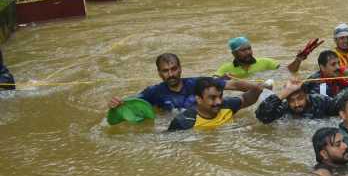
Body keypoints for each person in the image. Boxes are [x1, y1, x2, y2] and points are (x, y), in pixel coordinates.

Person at [107, 53, 258, 112]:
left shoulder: (197, 83)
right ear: (159, 73)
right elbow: (132, 103)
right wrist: (117, 102)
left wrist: (258, 87)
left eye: (173, 69)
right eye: (165, 71)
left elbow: (234, 85)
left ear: (180, 69)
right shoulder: (153, 92)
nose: (170, 74)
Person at [168, 77, 263, 131]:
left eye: (220, 96)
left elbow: (246, 98)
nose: (219, 102)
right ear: (199, 99)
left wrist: (257, 89)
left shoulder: (227, 105)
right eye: (212, 98)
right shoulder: (184, 122)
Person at [255, 79, 339, 123]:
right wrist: (284, 93)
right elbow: (262, 117)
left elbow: (342, 110)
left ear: (306, 95)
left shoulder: (321, 102)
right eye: (291, 100)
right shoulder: (283, 108)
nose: (296, 104)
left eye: (300, 98)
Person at [215, 37, 280, 79]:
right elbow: (211, 82)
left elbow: (284, 72)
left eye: (249, 48)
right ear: (234, 54)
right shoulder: (225, 69)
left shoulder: (267, 62)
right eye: (243, 50)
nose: (248, 52)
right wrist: (221, 79)